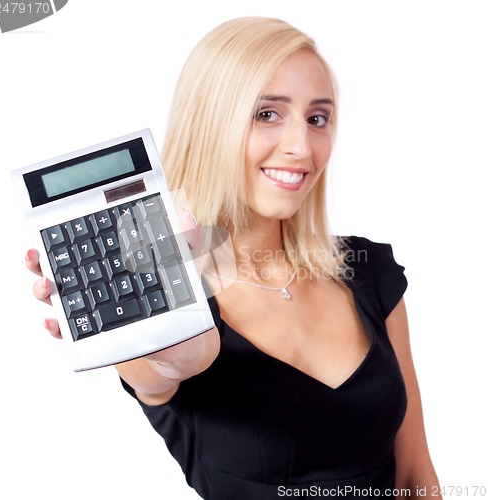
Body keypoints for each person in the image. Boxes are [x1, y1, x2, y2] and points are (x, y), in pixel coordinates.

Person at [26, 17, 442, 500]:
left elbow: (416, 476)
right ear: (211, 123)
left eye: (317, 118)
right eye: (267, 114)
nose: (300, 147)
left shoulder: (366, 270)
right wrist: (132, 301)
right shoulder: (163, 290)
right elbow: (168, 365)